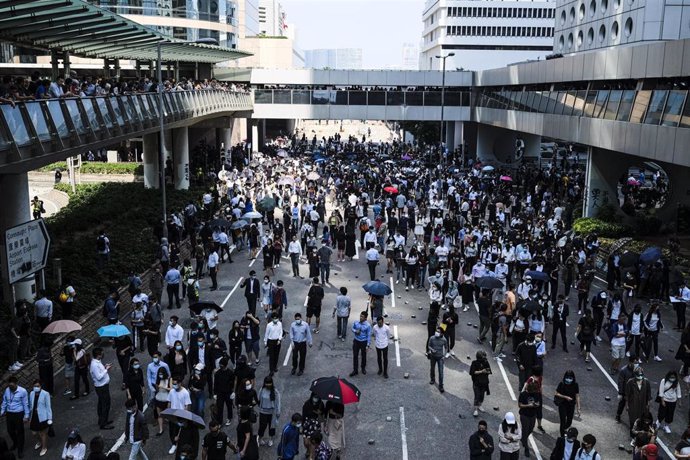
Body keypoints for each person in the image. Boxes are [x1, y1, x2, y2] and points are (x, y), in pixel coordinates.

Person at [1, 376, 29, 458]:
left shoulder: (22, 391)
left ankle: (20, 450)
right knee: (10, 431)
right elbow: (4, 402)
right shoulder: (7, 390)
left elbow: (25, 404)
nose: (11, 388)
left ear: (16, 383)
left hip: (18, 413)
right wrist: (2, 411)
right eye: (9, 386)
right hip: (9, 413)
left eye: (12, 386)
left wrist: (26, 416)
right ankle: (15, 443)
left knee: (20, 432)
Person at [90, 347, 113, 430]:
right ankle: (103, 424)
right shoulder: (94, 365)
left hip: (103, 386)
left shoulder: (98, 362)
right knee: (105, 404)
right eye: (102, 353)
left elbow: (99, 371)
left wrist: (104, 366)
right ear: (98, 355)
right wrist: (106, 370)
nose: (103, 354)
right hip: (101, 387)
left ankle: (103, 420)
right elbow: (99, 377)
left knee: (101, 404)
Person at [166, 377, 191, 455]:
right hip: (173, 415)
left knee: (180, 432)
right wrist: (168, 412)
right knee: (172, 431)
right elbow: (169, 402)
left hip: (181, 415)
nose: (173, 385)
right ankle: (174, 443)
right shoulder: (171, 392)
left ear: (180, 383)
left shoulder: (185, 393)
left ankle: (178, 445)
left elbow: (187, 405)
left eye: (175, 383)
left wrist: (185, 416)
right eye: (173, 383)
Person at [518, 378, 542, 458]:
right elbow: (520, 405)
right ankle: (526, 448)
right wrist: (528, 405)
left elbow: (538, 402)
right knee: (525, 431)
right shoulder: (523, 394)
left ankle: (523, 439)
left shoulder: (537, 394)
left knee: (530, 430)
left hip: (533, 415)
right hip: (524, 415)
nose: (534, 392)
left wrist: (536, 404)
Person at [626, 367, 652, 437]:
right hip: (633, 405)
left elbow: (649, 394)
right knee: (633, 421)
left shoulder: (646, 382)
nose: (640, 377)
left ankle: (640, 436)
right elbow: (627, 395)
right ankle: (632, 436)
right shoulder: (630, 382)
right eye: (638, 375)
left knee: (642, 420)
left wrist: (648, 404)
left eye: (641, 375)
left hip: (643, 405)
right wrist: (627, 405)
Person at [28, 380, 51, 457]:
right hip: (34, 416)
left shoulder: (45, 394)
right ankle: (39, 442)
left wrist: (49, 418)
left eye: (38, 386)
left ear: (41, 386)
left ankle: (44, 447)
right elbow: (30, 406)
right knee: (34, 433)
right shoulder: (31, 393)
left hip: (42, 417)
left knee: (42, 433)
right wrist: (28, 416)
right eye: (35, 386)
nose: (36, 387)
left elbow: (48, 407)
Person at [554, 370, 580, 436]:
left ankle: (563, 429)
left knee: (569, 421)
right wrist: (565, 397)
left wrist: (578, 407)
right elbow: (556, 393)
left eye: (570, 378)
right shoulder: (561, 384)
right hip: (562, 404)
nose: (568, 380)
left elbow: (577, 396)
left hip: (571, 405)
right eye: (567, 377)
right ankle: (562, 436)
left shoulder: (575, 385)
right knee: (563, 421)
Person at [257, 376, 281, 447]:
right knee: (262, 426)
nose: (268, 385)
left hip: (272, 412)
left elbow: (278, 402)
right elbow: (258, 399)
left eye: (269, 383)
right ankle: (260, 439)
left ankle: (271, 439)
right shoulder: (261, 390)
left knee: (272, 427)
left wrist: (278, 411)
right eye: (267, 383)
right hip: (263, 412)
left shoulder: (275, 391)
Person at [656, 370, 681, 434]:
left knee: (670, 414)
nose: (672, 378)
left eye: (673, 377)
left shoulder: (676, 382)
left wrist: (679, 402)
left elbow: (678, 391)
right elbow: (661, 391)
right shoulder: (663, 381)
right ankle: (658, 422)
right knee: (662, 413)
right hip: (665, 400)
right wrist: (662, 400)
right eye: (671, 377)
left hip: (673, 401)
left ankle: (666, 426)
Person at [212, 358, 235, 426]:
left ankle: (229, 418)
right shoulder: (217, 373)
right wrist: (215, 393)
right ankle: (220, 422)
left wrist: (232, 392)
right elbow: (215, 384)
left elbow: (232, 383)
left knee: (229, 406)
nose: (220, 366)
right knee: (220, 408)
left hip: (228, 392)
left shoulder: (230, 373)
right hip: (220, 393)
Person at [427, 326, 449, 393]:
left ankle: (441, 385)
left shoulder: (444, 340)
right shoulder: (432, 338)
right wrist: (432, 350)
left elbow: (446, 347)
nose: (436, 332)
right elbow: (429, 346)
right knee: (432, 369)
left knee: (441, 372)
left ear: (442, 333)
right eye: (436, 331)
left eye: (438, 332)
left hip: (440, 357)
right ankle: (432, 379)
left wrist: (444, 355)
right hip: (433, 356)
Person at [470, 350, 492, 416]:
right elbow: (472, 372)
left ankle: (480, 405)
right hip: (476, 382)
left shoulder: (486, 362)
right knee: (477, 395)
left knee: (482, 395)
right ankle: (476, 409)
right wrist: (481, 371)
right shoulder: (474, 363)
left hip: (484, 382)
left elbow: (489, 371)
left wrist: (487, 371)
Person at [350, 311, 372, 377]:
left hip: (363, 342)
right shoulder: (356, 322)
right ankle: (355, 370)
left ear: (365, 318)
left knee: (363, 356)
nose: (360, 317)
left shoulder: (368, 326)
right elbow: (352, 328)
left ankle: (363, 368)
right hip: (356, 341)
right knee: (355, 356)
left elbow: (368, 335)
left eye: (362, 317)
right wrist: (355, 331)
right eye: (360, 316)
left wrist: (368, 345)